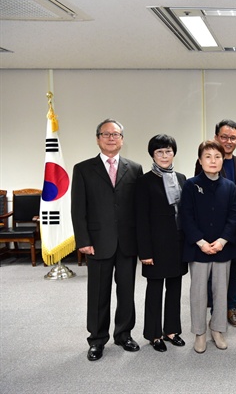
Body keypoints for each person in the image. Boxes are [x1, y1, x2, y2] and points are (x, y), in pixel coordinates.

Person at [71, 118, 143, 361]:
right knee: (98, 293)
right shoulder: (83, 169)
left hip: (126, 243)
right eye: (106, 134)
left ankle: (123, 334)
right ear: (98, 138)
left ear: (122, 139)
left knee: (127, 292)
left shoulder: (134, 168)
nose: (111, 138)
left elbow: (138, 209)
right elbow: (78, 208)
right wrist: (83, 239)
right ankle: (97, 339)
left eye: (116, 134)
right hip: (97, 242)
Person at [180, 141, 236, 354]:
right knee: (198, 293)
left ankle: (217, 329)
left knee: (220, 291)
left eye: (217, 156)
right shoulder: (190, 185)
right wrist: (201, 242)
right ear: (200, 160)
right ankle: (199, 332)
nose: (213, 161)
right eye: (208, 156)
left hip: (222, 248)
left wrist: (222, 241)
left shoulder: (229, 187)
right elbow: (186, 217)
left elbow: (235, 216)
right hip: (199, 249)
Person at [195, 119, 236, 328]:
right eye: (224, 137)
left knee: (235, 272)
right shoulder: (203, 162)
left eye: (233, 138)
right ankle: (214, 311)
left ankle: (231, 308)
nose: (228, 141)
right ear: (216, 137)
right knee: (212, 275)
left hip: (235, 231)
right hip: (211, 232)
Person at [135, 134, 188, 352]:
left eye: (168, 151)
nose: (164, 156)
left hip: (178, 244)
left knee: (175, 288)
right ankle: (154, 334)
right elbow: (140, 219)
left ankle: (172, 330)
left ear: (174, 153)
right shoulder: (144, 181)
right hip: (155, 246)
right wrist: (145, 251)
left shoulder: (182, 178)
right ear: (153, 155)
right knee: (155, 290)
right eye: (159, 152)